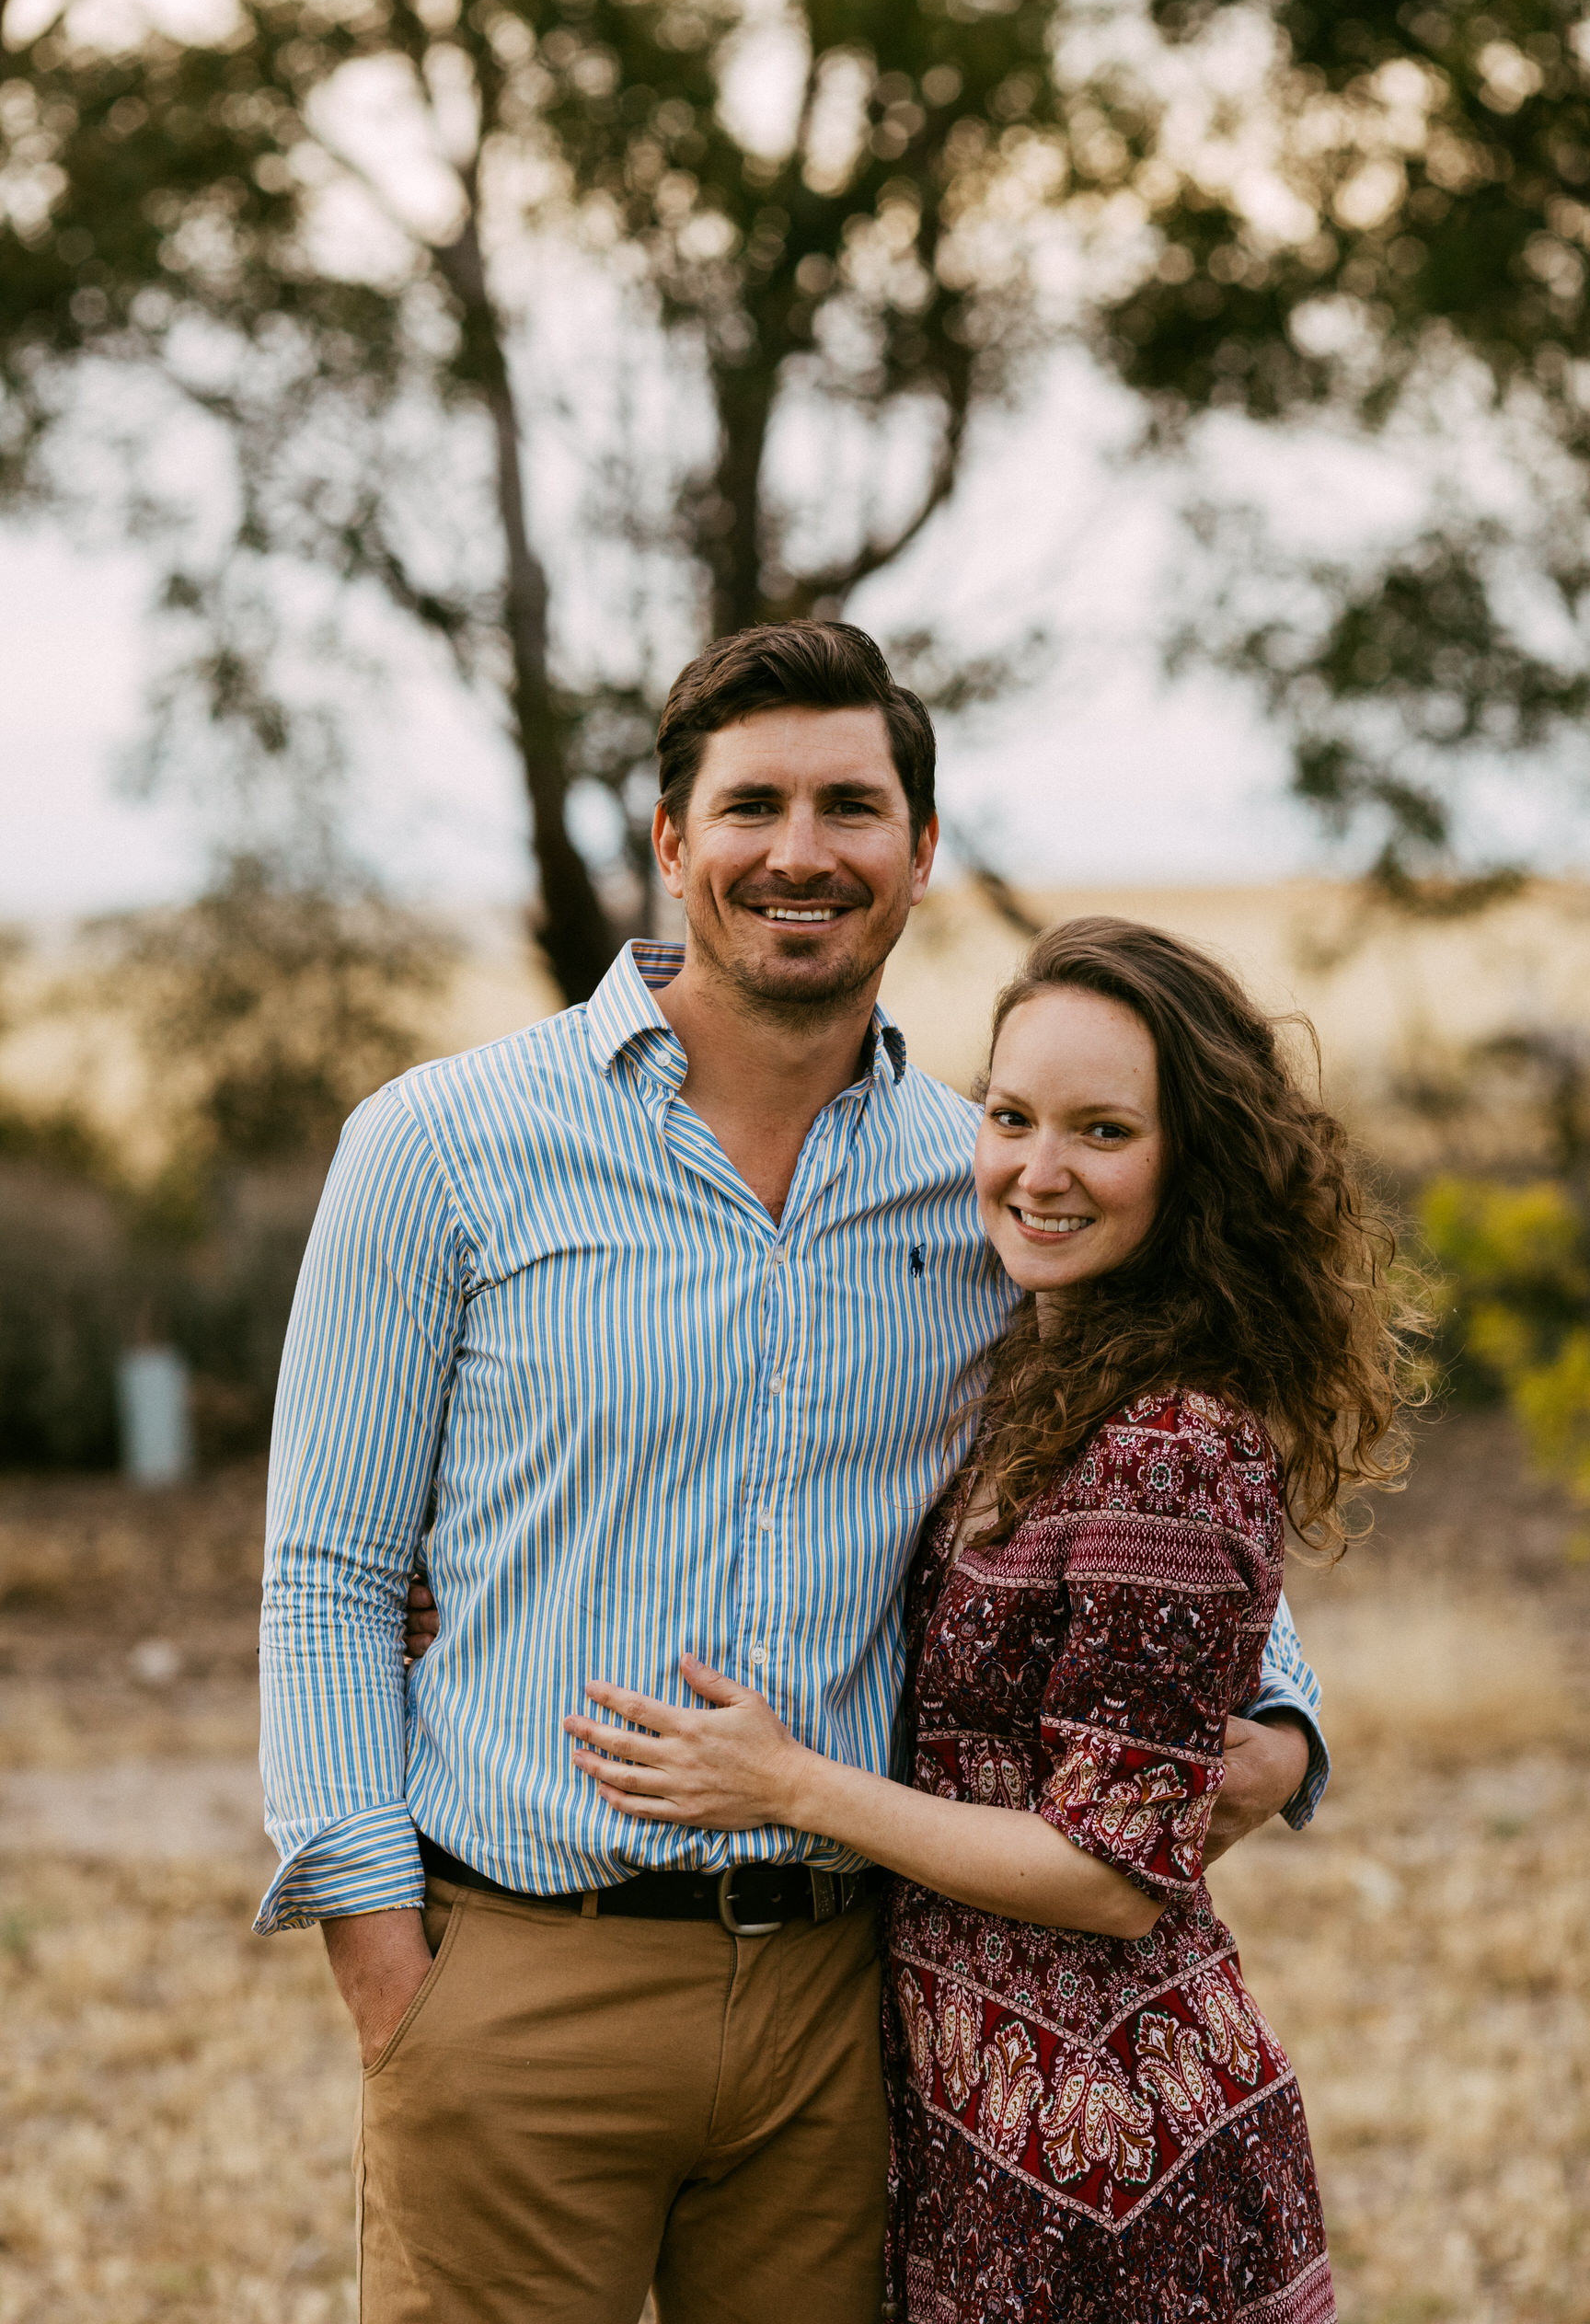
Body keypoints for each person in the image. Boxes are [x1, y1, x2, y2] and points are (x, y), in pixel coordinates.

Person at [258, 622, 1327, 2324]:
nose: (801, 850)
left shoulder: (980, 1182)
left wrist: (1280, 1714)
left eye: (853, 804)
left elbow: (1138, 1485)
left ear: (915, 854)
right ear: (674, 842)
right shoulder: (439, 1148)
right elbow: (325, 1572)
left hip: (855, 2008)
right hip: (523, 1973)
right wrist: (393, 1977)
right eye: (752, 802)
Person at [563, 917, 1418, 2324]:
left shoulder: (1176, 1437)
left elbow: (1109, 1873)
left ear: (1190, 1161)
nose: (1038, 1169)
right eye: (1012, 1117)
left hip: (1108, 2153)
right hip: (972, 2117)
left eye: (1103, 1130)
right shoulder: (1041, 1360)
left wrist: (788, 1785)